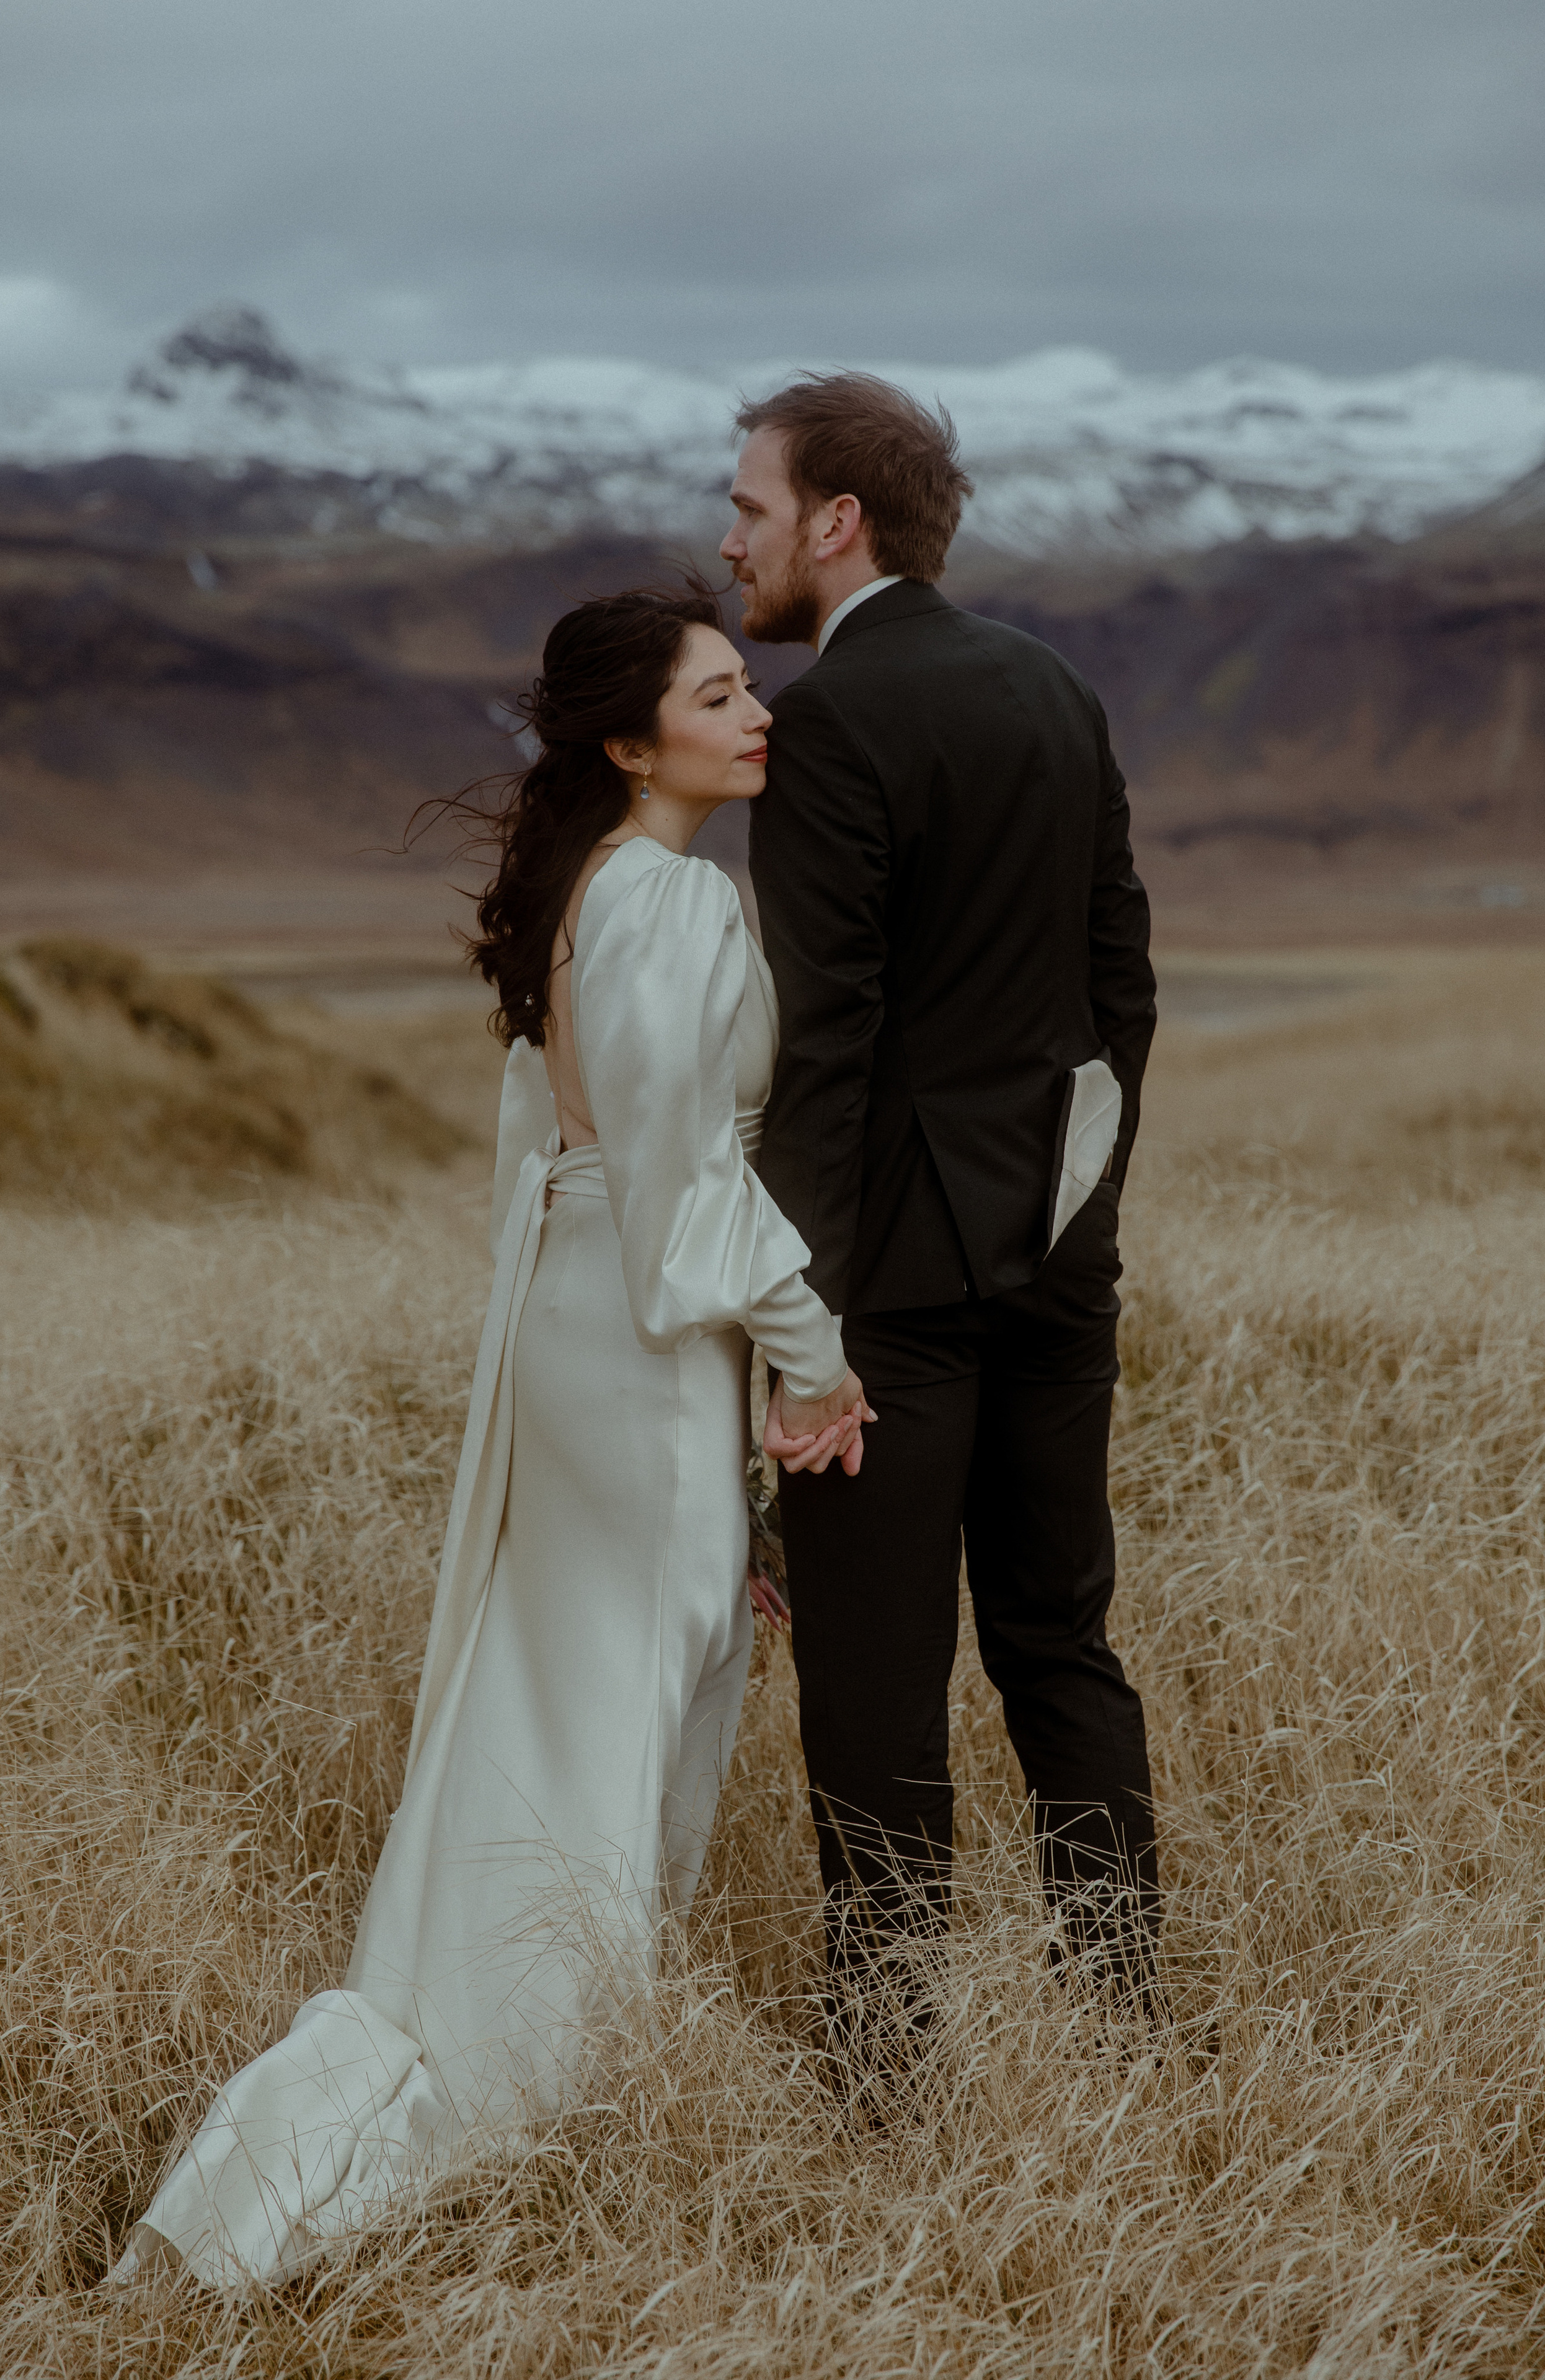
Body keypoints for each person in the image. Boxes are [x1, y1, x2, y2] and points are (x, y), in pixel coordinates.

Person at [114, 581, 870, 2288]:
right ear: (629, 740)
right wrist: (810, 1362)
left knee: (556, 1705)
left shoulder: (586, 888)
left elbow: (560, 1162)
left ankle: (332, 2142)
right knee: (623, 1720)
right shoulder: (670, 898)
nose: (759, 714)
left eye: (750, 687)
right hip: (647, 1333)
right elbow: (693, 1183)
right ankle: (519, 2114)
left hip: (575, 1324)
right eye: (718, 695)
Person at [720, 373, 1159, 2024]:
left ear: (838, 523)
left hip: (887, 1293)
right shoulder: (1057, 689)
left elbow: (825, 1047)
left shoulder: (829, 722)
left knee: (879, 1691)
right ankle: (1119, 2025)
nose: (730, 537)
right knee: (1061, 1645)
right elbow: (1125, 993)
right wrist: (1080, 1212)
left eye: (750, 508)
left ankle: (896, 2067)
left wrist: (798, 1327)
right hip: (1059, 1266)